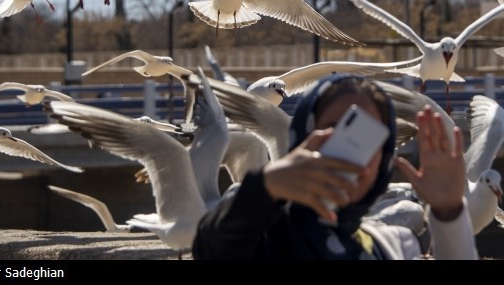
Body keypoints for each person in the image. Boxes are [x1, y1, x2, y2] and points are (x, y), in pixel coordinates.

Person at [192, 74, 478, 260]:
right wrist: (267, 186)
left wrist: (448, 213)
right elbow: (212, 247)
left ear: (385, 157)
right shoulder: (265, 238)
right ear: (303, 137)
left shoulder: (392, 246)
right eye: (332, 129)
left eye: (368, 136)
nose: (354, 152)